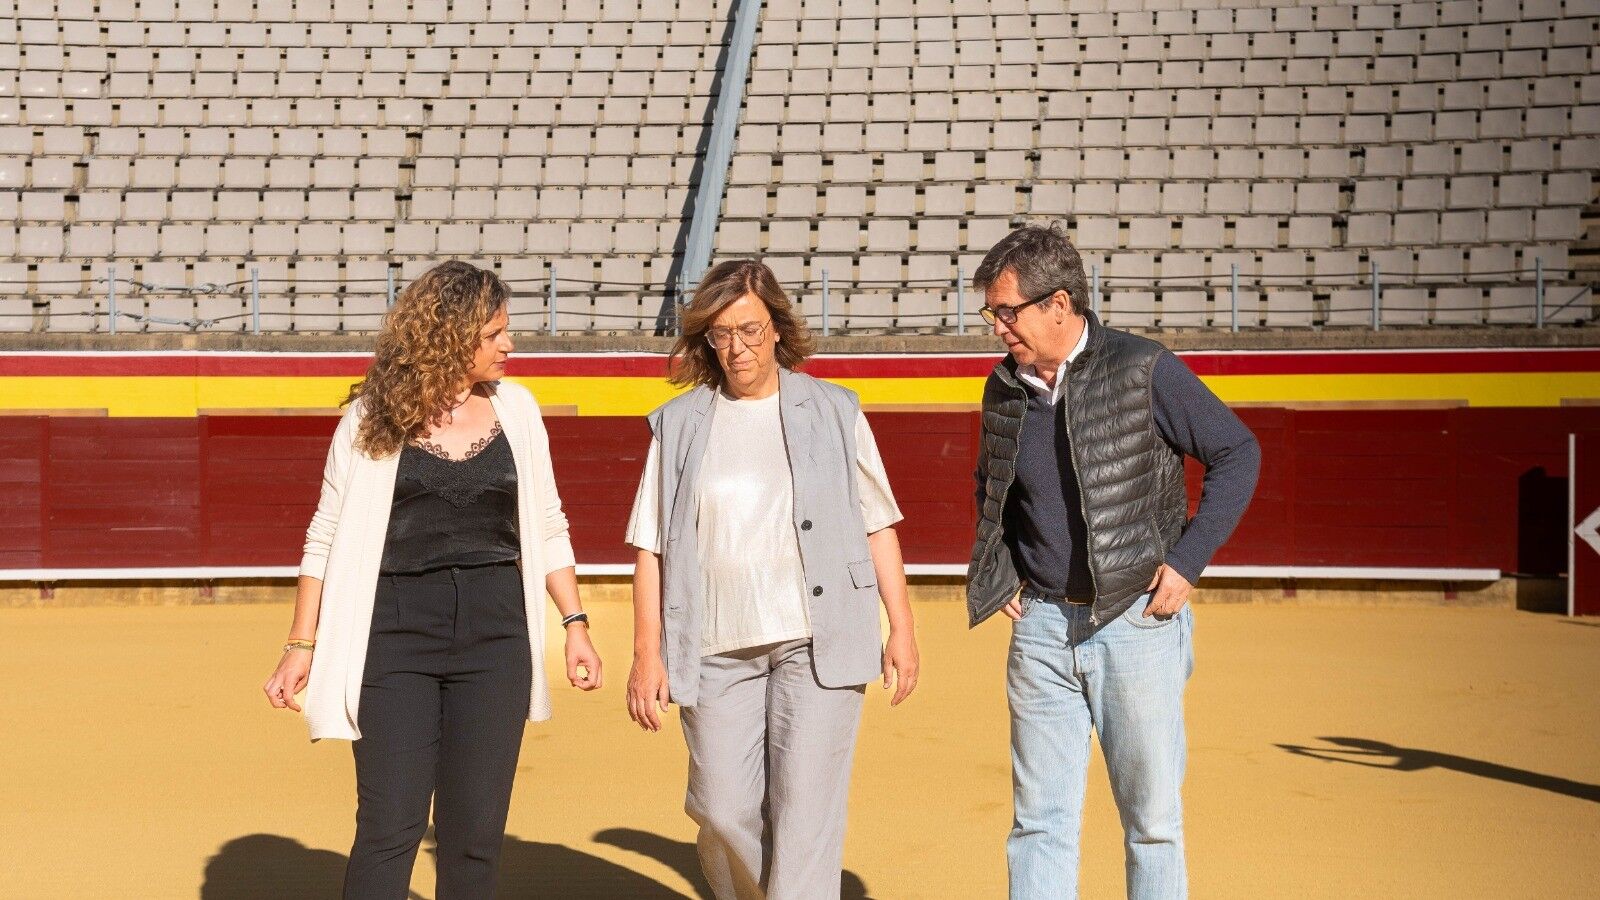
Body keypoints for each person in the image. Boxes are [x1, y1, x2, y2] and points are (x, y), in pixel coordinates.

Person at [261, 261, 602, 898]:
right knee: (390, 826)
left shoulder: (518, 411)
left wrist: (575, 623)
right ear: (449, 336)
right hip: (393, 633)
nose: (510, 344)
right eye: (494, 333)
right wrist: (300, 645)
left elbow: (548, 522)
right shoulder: (372, 417)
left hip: (497, 633)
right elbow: (324, 536)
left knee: (474, 834)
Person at [965, 224, 1260, 899]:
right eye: (992, 313)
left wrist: (1187, 562)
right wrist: (998, 563)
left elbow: (1237, 452)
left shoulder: (1141, 367)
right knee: (1038, 823)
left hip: (1136, 623)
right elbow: (991, 481)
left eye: (1006, 312)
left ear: (1058, 304)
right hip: (1041, 628)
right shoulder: (1004, 386)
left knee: (1151, 823)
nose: (997, 328)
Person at [624, 259, 919, 900]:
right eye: (722, 334)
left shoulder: (835, 410)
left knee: (805, 818)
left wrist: (901, 626)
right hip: (712, 645)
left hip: (816, 640)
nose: (738, 348)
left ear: (778, 328)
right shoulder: (678, 423)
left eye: (751, 330)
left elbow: (878, 524)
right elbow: (651, 547)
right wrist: (647, 655)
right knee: (721, 808)